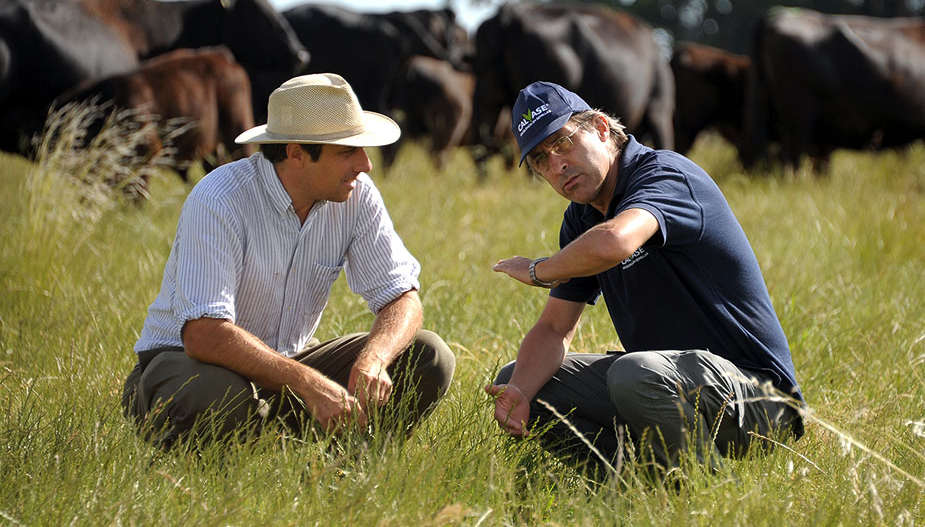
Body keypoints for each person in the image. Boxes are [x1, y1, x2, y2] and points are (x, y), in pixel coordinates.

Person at [122, 73, 455, 449]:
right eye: (348, 151)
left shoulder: (357, 195)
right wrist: (308, 383)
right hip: (186, 364)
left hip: (288, 364)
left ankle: (343, 468)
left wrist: (374, 360)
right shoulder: (220, 198)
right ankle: (245, 462)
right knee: (215, 393)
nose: (366, 164)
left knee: (430, 356)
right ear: (296, 152)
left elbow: (403, 297)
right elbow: (203, 335)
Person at [487, 81, 804, 472]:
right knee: (519, 380)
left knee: (635, 372)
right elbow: (554, 329)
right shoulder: (581, 219)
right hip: (666, 384)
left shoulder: (664, 174)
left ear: (601, 128)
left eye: (563, 142)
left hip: (759, 399)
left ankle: (704, 494)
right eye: (539, 159)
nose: (557, 165)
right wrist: (519, 391)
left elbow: (614, 242)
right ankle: (630, 488)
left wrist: (539, 271)